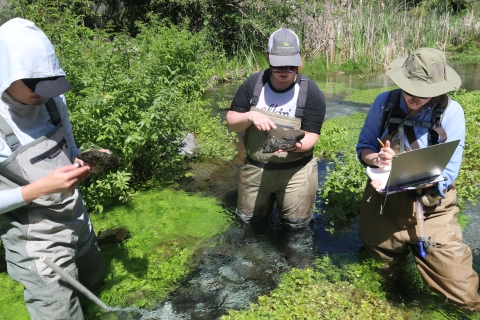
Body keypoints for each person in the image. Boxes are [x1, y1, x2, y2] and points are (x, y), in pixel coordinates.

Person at [356, 47, 480, 307]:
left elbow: (448, 173)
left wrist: (411, 177)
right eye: (410, 89)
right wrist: (377, 159)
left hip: (432, 207)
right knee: (383, 281)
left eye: (424, 93)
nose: (414, 97)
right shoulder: (384, 102)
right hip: (383, 207)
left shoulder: (452, 112)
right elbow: (364, 147)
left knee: (465, 297)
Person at [0, 18, 106, 319]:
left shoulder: (52, 101)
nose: (42, 93)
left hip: (75, 215)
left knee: (96, 280)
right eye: (33, 84)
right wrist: (41, 188)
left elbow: (69, 148)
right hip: (36, 240)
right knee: (60, 311)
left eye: (48, 84)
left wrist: (85, 158)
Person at [226, 27, 326, 229]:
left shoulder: (310, 92)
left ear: (299, 58)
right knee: (248, 225)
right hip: (256, 168)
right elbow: (232, 122)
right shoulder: (254, 84)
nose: (285, 72)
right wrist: (250, 116)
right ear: (267, 57)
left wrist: (294, 146)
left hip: (296, 172)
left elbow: (311, 135)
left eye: (291, 67)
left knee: (296, 228)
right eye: (279, 66)